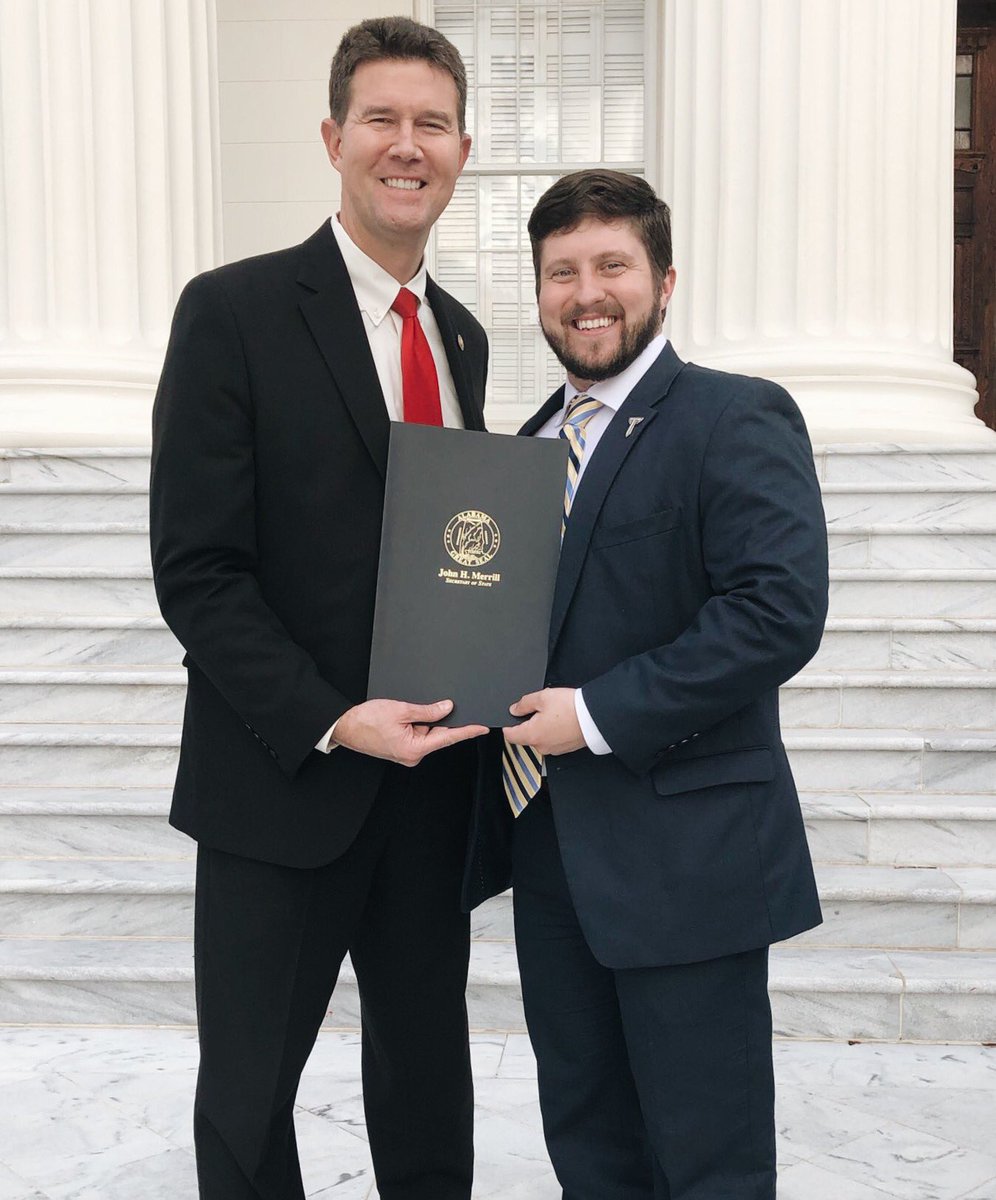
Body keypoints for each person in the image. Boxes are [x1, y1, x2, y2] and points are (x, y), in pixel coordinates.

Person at [150, 18, 510, 1200]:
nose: (408, 145)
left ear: (463, 151)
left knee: (427, 1084)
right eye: (382, 119)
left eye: (433, 124)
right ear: (332, 137)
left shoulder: (462, 335)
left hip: (433, 785)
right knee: (249, 1100)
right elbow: (198, 571)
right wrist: (332, 718)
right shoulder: (232, 312)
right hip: (284, 780)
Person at [502, 170, 829, 1200]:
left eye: (613, 265)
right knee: (589, 1146)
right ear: (539, 292)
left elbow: (776, 611)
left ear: (665, 280)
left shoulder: (734, 415)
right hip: (552, 857)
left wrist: (597, 715)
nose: (586, 293)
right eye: (562, 272)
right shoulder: (519, 452)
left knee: (707, 1161)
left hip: (689, 862)